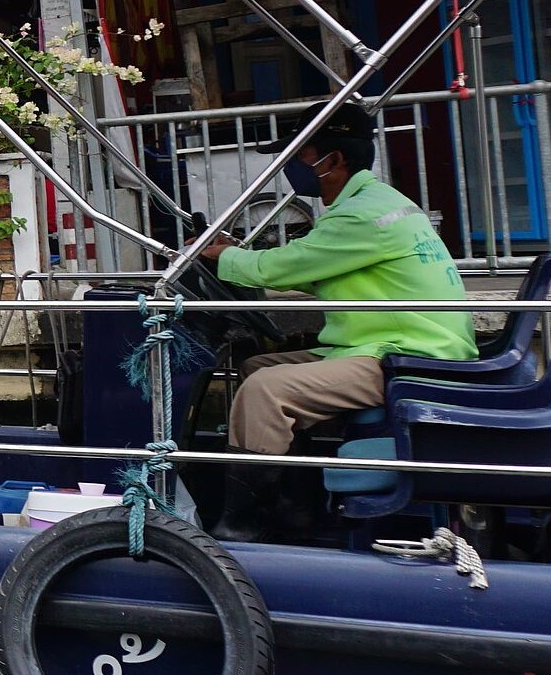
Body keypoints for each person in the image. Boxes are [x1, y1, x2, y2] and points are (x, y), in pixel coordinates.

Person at [204, 102, 476, 539]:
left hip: (407, 357)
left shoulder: (361, 215)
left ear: (333, 160)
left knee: (265, 391)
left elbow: (283, 266)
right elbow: (323, 271)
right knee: (259, 367)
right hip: (393, 344)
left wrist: (225, 257)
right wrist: (241, 259)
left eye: (300, 155)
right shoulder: (376, 203)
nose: (292, 165)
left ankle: (242, 528)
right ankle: (297, 508)